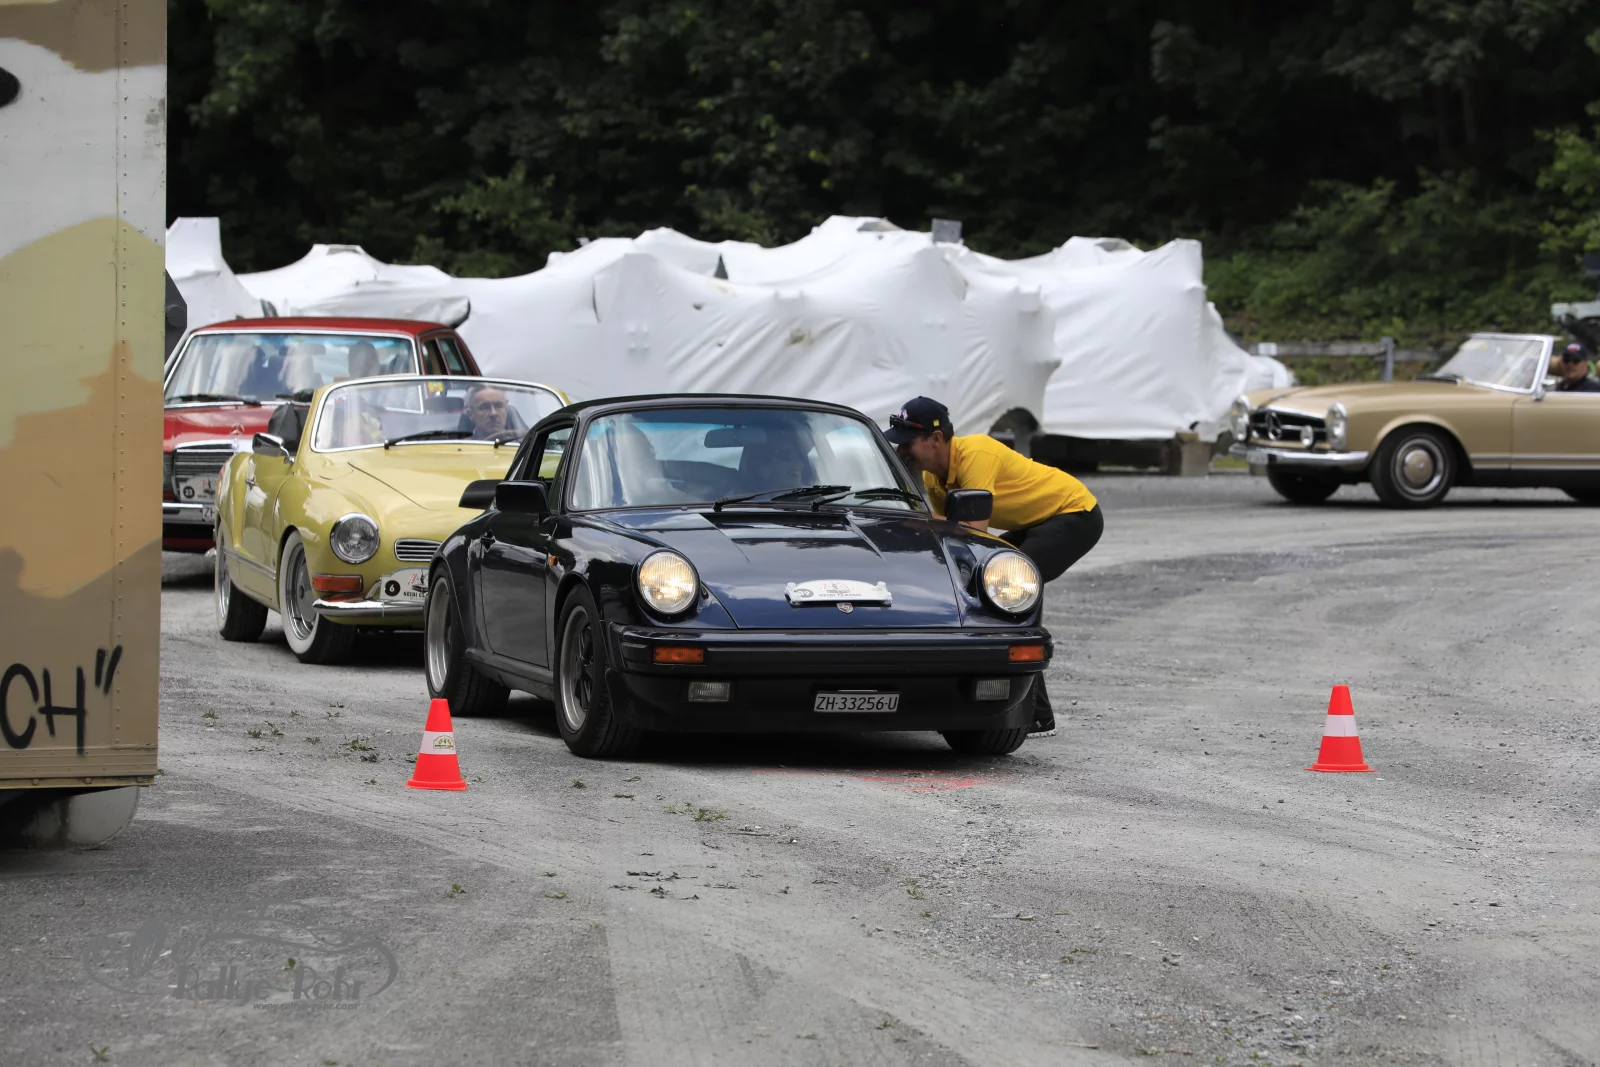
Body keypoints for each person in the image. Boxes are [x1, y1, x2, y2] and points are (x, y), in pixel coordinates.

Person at [883, 396, 1102, 739]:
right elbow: (954, 542)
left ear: (936, 439)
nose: (901, 451)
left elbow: (973, 532)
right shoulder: (934, 478)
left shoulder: (977, 453)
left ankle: (1035, 716)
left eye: (908, 442)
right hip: (1036, 521)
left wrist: (917, 520)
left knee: (1008, 590)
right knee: (984, 586)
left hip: (1074, 514)